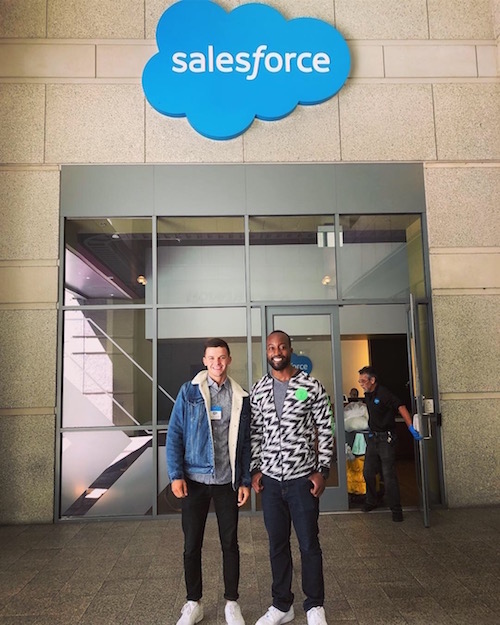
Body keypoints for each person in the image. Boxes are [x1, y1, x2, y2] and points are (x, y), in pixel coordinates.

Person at [250, 331, 334, 625]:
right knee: (277, 545)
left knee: (309, 544)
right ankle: (282, 605)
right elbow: (256, 433)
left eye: (281, 346)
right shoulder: (259, 389)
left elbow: (325, 428)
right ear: (267, 351)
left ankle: (314, 606)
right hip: (271, 482)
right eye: (271, 347)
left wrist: (322, 470)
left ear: (290, 350)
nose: (276, 351)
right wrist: (256, 469)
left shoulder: (310, 387)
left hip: (302, 480)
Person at [167, 338, 251, 625]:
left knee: (230, 543)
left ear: (229, 359)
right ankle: (193, 603)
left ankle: (232, 602)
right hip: (195, 480)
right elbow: (175, 434)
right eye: (212, 357)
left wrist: (245, 480)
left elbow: (245, 444)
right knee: (192, 544)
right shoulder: (188, 393)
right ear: (204, 360)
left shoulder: (240, 395)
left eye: (222, 357)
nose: (217, 362)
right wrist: (176, 475)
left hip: (227, 482)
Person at [357, 365, 422, 522]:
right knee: (368, 472)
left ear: (373, 380)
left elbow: (401, 407)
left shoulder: (384, 393)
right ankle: (372, 501)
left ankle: (396, 509)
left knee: (388, 475)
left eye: (363, 381)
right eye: (359, 381)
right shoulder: (368, 395)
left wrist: (411, 427)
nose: (361, 383)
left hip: (386, 439)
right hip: (373, 439)